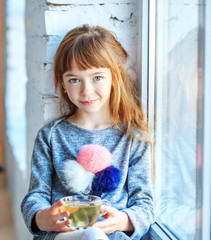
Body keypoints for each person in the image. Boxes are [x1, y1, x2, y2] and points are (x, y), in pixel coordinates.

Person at [21, 24, 154, 240]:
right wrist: (42, 217)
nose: (86, 90)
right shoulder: (51, 136)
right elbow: (36, 196)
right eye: (74, 80)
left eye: (97, 78)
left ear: (115, 77)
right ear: (63, 84)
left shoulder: (133, 137)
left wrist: (122, 220)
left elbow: (145, 204)